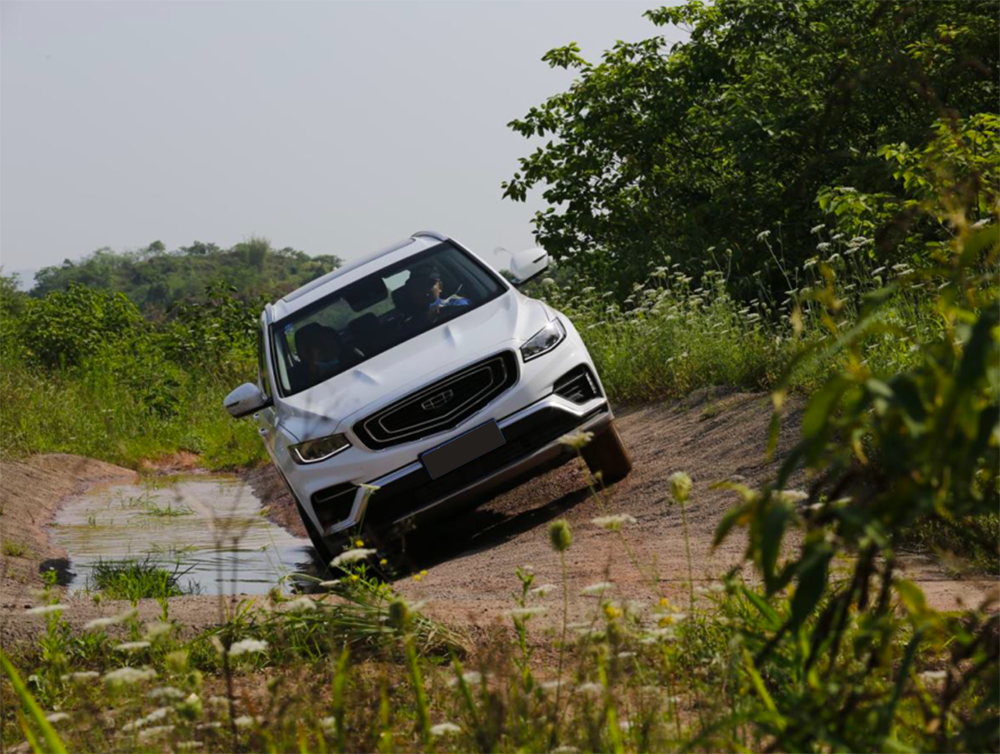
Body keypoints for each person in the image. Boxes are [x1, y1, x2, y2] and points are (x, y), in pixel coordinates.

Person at [403, 270, 469, 320]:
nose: (424, 289)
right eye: (417, 286)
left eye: (429, 284)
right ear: (410, 292)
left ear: (440, 286)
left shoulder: (457, 304)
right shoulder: (404, 325)